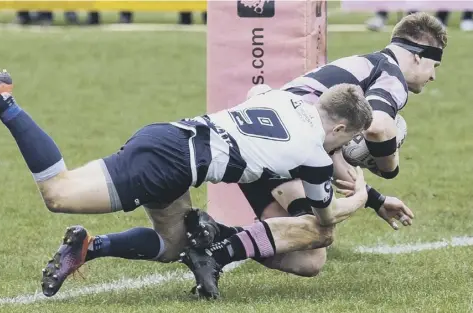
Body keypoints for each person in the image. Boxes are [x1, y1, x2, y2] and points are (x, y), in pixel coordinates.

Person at [0, 69, 373, 298]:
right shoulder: (317, 157)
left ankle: (89, 247)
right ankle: (3, 100)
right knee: (58, 193)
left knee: (171, 246)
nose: (341, 149)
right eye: (346, 139)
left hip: (172, 141)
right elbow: (325, 218)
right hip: (168, 162)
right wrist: (359, 197)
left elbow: (258, 91)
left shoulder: (283, 97)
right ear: (339, 126)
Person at [179, 12, 446, 298]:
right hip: (279, 151)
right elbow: (379, 128)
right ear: (417, 56)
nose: (433, 75)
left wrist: (376, 199)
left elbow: (330, 159)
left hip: (266, 146)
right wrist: (389, 165)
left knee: (308, 260)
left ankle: (215, 236)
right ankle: (215, 255)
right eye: (434, 64)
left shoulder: (364, 66)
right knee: (319, 231)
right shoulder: (390, 75)